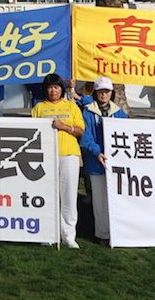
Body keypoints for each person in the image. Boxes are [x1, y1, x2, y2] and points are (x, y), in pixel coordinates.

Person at [32, 73, 85, 249]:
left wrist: (64, 127)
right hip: (46, 156)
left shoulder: (71, 106)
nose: (53, 91)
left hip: (68, 154)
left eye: (56, 87)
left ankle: (68, 234)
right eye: (49, 87)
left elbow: (80, 130)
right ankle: (48, 232)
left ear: (61, 88)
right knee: (48, 194)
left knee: (68, 195)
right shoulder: (39, 107)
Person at [79, 76, 128, 243]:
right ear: (95, 92)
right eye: (101, 91)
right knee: (99, 201)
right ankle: (103, 234)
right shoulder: (88, 112)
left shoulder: (119, 113)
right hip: (95, 163)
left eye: (107, 91)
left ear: (111, 93)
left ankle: (118, 232)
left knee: (116, 199)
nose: (104, 94)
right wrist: (98, 152)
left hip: (116, 164)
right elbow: (86, 138)